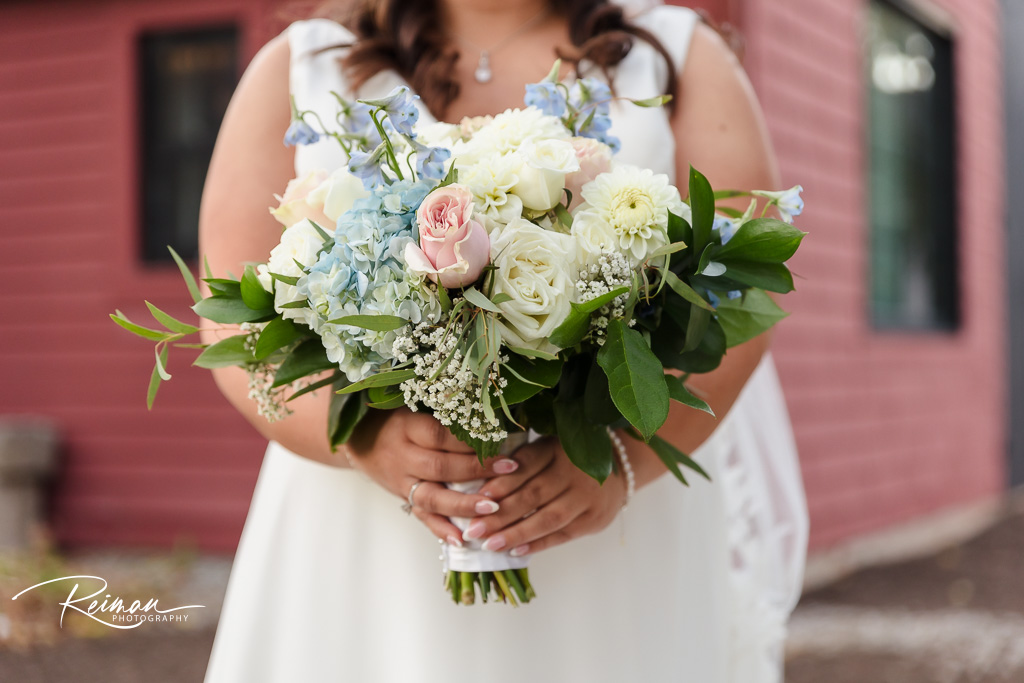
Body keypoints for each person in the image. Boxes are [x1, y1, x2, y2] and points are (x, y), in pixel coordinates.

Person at [198, 1, 808, 681]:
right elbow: (234, 316)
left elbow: (741, 292)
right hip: (363, 539)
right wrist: (358, 438)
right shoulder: (298, 68)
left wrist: (619, 458)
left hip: (612, 540)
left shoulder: (680, 55)